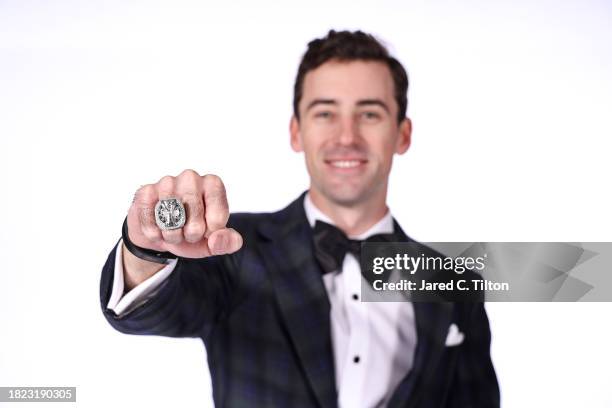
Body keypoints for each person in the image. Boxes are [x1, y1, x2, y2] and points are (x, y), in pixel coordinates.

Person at [100, 29, 500, 408]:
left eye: (370, 114)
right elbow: (150, 309)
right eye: (325, 113)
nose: (346, 136)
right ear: (297, 132)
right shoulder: (233, 248)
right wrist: (145, 250)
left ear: (402, 134)